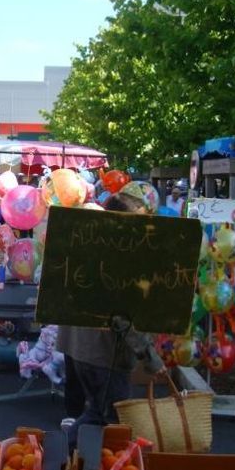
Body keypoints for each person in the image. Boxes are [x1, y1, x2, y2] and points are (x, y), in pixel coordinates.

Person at [56, 192, 170, 448]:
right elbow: (122, 317)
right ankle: (56, 457)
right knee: (104, 417)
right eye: (138, 222)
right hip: (102, 352)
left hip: (79, 346)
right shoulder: (120, 255)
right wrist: (150, 358)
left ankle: (74, 464)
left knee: (98, 413)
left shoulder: (90, 243)